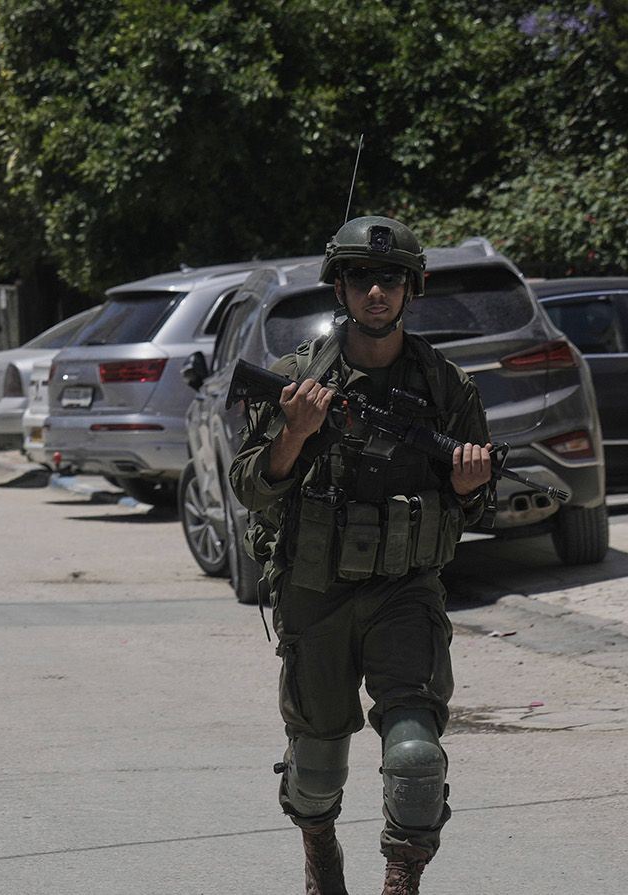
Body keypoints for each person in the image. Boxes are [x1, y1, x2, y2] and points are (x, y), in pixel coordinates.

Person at [228, 216, 492, 895]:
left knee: (414, 752)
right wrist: (295, 433)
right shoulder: (297, 378)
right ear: (339, 287)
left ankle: (401, 879)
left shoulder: (445, 388)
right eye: (360, 278)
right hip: (314, 591)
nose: (376, 291)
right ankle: (322, 856)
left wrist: (468, 488)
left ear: (411, 289)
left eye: (390, 279)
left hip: (405, 589)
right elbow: (250, 487)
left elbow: (477, 508)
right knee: (315, 764)